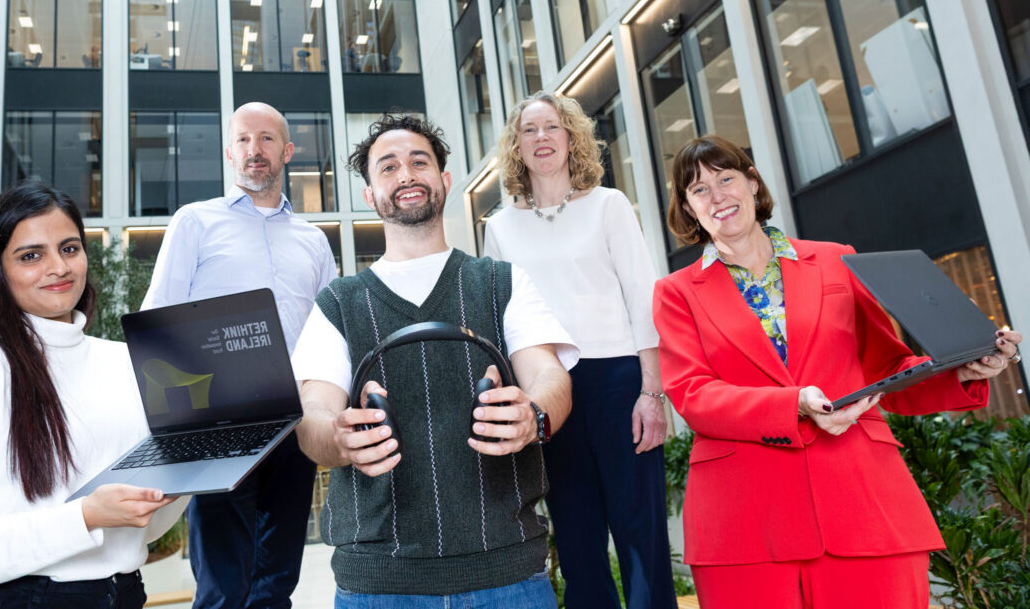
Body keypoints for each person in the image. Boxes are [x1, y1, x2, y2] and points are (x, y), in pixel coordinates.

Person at [652, 134, 1023, 609]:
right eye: (699, 189)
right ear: (688, 209)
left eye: (726, 179)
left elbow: (889, 369)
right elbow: (694, 395)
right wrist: (795, 405)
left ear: (752, 182)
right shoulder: (676, 292)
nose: (717, 195)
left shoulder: (834, 259)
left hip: (862, 503)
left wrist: (966, 368)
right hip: (745, 522)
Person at [291, 113, 579, 607]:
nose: (405, 175)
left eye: (418, 162)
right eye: (388, 166)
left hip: (508, 573)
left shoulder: (502, 281)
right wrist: (337, 435)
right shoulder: (337, 303)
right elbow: (311, 416)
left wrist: (533, 416)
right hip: (379, 583)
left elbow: (550, 376)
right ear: (370, 195)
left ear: (444, 181)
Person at [0, 180, 186, 608]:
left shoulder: (125, 362)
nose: (58, 267)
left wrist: (175, 489)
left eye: (69, 248)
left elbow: (135, 534)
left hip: (121, 594)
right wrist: (84, 517)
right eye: (31, 256)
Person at [484, 92, 676, 609]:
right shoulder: (499, 228)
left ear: (571, 138)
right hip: (547, 388)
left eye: (552, 127)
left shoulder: (609, 205)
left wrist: (651, 394)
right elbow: (499, 323)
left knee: (641, 534)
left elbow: (644, 300)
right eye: (529, 130)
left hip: (618, 381)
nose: (541, 138)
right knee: (575, 536)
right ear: (516, 147)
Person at [141, 101, 337, 609]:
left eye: (268, 139)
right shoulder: (194, 222)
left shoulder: (314, 241)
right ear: (230, 153)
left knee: (278, 577)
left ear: (287, 151)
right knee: (223, 584)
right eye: (245, 140)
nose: (256, 150)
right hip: (218, 420)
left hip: (295, 419)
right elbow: (157, 320)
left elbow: (329, 334)